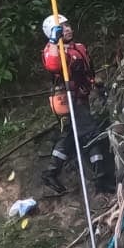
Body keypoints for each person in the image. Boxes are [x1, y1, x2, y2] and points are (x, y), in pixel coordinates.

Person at [40, 14, 116, 195]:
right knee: (92, 133)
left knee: (71, 135)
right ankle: (101, 177)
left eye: (67, 25)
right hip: (69, 100)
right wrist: (54, 41)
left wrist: (96, 84)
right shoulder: (54, 50)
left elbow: (88, 69)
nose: (67, 29)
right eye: (62, 27)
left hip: (82, 97)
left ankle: (51, 171)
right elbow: (53, 65)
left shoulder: (78, 47)